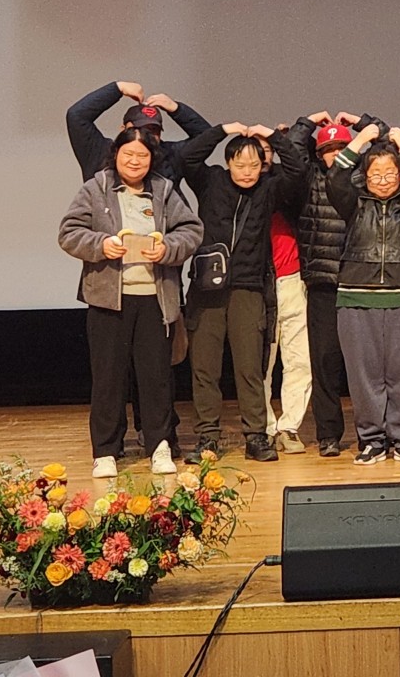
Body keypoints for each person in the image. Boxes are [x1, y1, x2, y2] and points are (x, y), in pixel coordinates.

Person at [58, 128, 202, 478]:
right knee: (108, 378)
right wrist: (101, 244)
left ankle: (159, 445)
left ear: (152, 159)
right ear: (116, 155)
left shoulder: (164, 190)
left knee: (156, 378)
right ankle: (106, 451)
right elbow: (68, 232)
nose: (135, 162)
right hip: (109, 301)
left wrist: (167, 248)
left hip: (155, 299)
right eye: (128, 155)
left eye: (142, 156)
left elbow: (192, 230)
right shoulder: (96, 189)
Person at [179, 121, 306, 462]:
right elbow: (188, 158)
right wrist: (222, 129)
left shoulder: (269, 188)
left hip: (249, 289)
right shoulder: (211, 181)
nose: (247, 172)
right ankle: (207, 437)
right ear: (228, 162)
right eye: (240, 164)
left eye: (254, 164)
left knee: (249, 367)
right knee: (204, 368)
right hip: (207, 288)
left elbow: (297, 171)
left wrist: (273, 137)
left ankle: (256, 436)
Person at [326, 124, 400, 464]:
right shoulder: (354, 203)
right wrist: (360, 140)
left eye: (390, 173)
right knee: (364, 376)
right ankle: (371, 439)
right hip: (357, 298)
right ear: (365, 176)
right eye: (376, 174)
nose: (384, 180)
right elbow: (335, 180)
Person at [286, 113, 361, 457]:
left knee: (364, 363)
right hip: (322, 282)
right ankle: (329, 434)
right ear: (319, 154)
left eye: (342, 147)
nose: (335, 154)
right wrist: (306, 123)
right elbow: (290, 154)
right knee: (325, 362)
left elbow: (387, 143)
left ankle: (371, 432)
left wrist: (361, 123)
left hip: (360, 281)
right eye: (329, 149)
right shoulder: (308, 179)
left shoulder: (364, 177)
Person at [258, 132, 312, 455]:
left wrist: (277, 139)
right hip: (260, 284)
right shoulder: (242, 192)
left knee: (299, 360)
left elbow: (297, 170)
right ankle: (264, 427)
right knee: (262, 363)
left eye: (267, 151)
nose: (262, 157)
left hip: (293, 280)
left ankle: (289, 426)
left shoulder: (285, 188)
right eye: (257, 151)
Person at [66, 79, 212, 184]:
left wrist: (176, 109)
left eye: (153, 130)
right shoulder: (101, 153)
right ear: (123, 130)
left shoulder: (171, 156)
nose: (144, 136)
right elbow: (76, 116)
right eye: (138, 128)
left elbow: (208, 137)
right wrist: (117, 88)